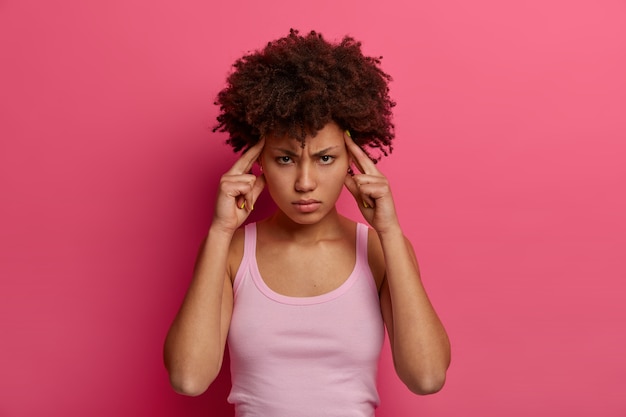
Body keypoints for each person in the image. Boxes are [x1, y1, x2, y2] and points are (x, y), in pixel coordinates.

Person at [164, 29, 450, 416]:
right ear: (257, 161)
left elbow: (427, 377)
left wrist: (390, 231)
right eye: (284, 158)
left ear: (352, 158)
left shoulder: (380, 248)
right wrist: (219, 230)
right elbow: (188, 379)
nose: (304, 182)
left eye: (325, 158)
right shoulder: (232, 251)